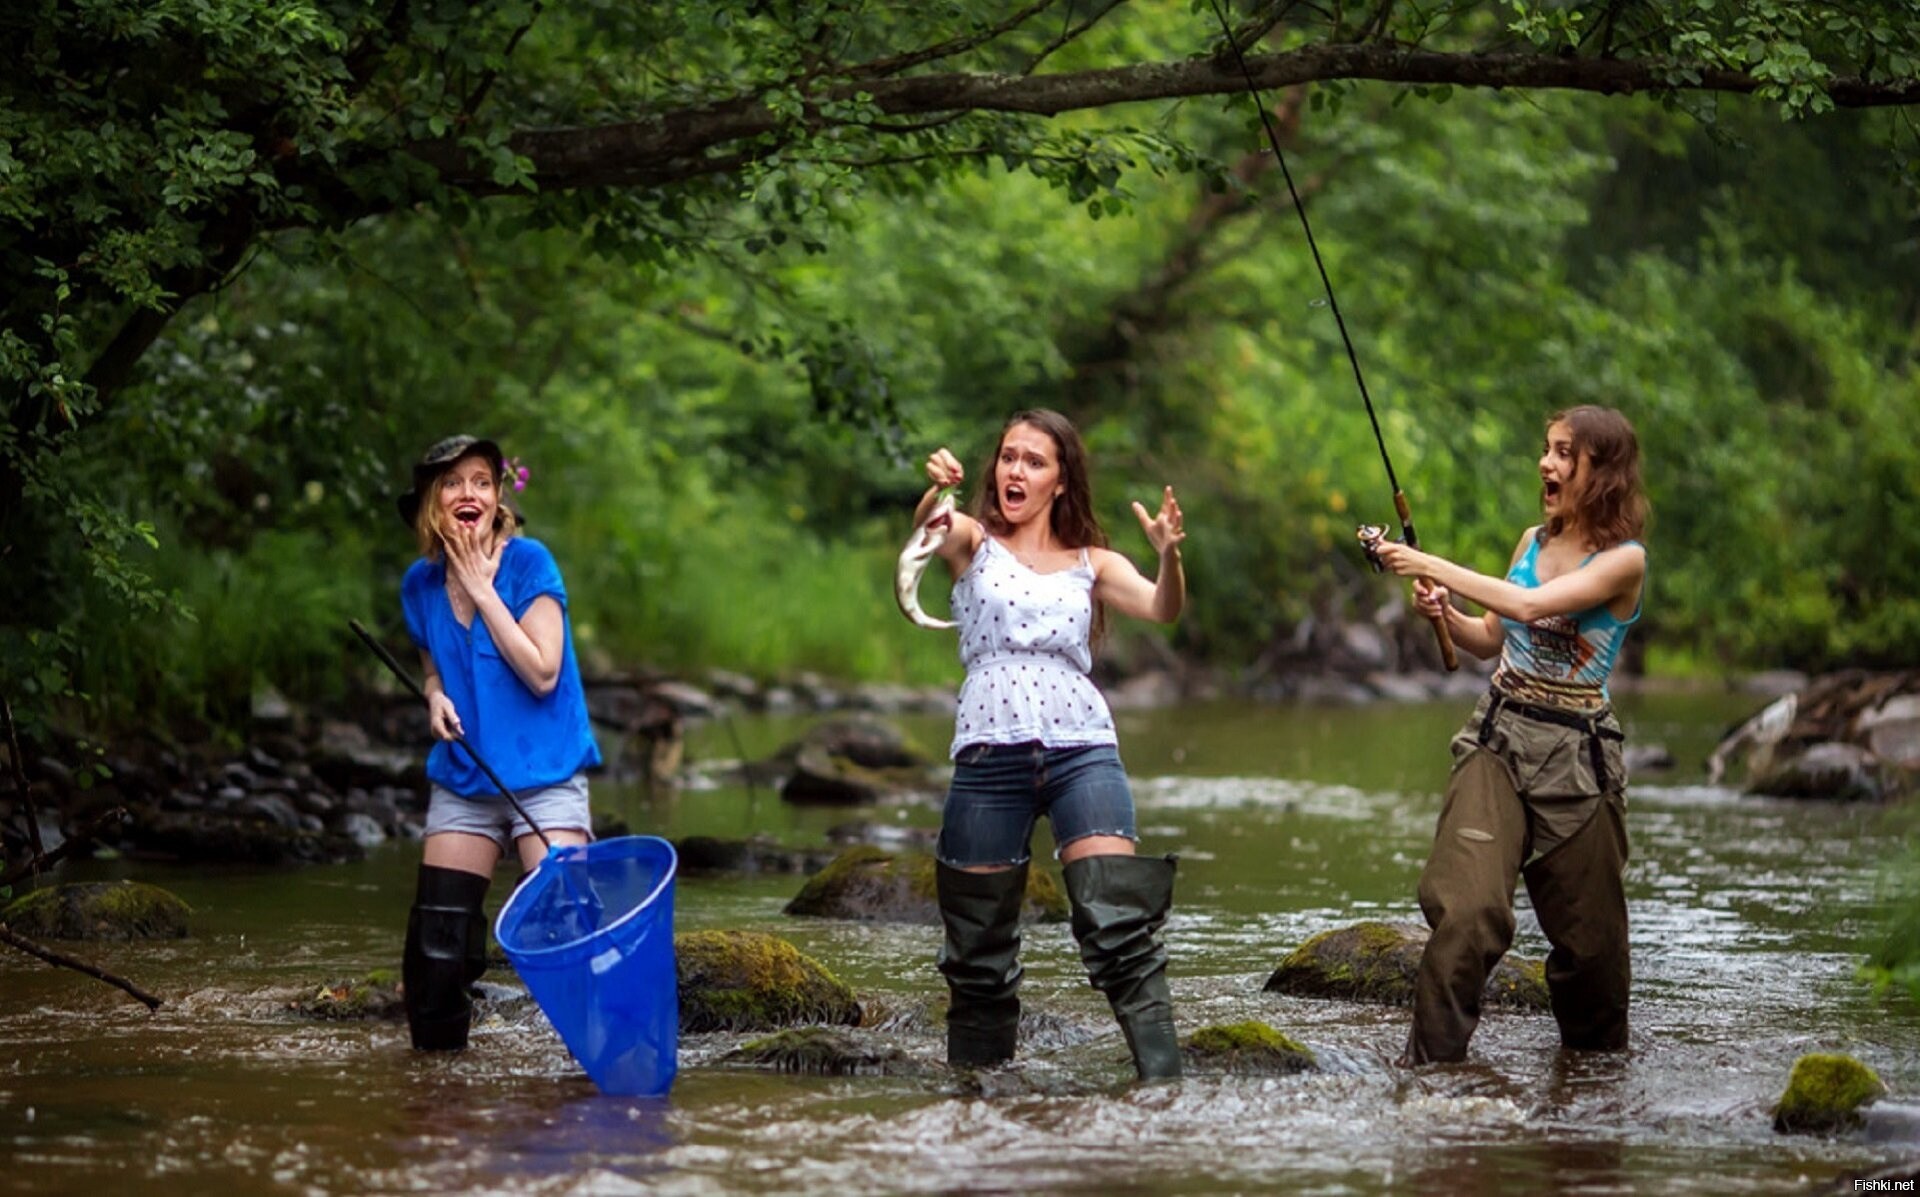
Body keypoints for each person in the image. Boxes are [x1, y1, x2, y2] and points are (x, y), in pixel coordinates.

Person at [912, 408, 1187, 1080]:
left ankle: (1165, 1088)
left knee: (1116, 919)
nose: (1016, 470)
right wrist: (936, 491)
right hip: (987, 750)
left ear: (1061, 480)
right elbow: (930, 528)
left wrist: (1169, 555)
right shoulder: (973, 540)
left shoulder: (1094, 562)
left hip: (1081, 747)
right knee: (977, 951)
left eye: (1034, 461)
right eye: (1009, 456)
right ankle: (979, 1101)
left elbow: (1163, 608)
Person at [1374, 404, 1648, 1065]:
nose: (1545, 464)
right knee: (1465, 913)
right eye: (1546, 450)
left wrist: (1422, 561)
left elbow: (1525, 605)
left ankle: (1591, 1092)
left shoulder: (1624, 562)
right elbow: (1490, 638)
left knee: (1593, 956)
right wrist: (1447, 610)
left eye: (1562, 453)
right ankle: (1432, 1073)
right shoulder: (1531, 542)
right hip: (1498, 738)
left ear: (1600, 471)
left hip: (1579, 759)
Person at [393, 435, 601, 1051]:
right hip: (465, 775)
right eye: (453, 483)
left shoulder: (530, 563)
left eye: (481, 481)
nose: (469, 493)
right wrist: (434, 696)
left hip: (546, 773)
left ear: (496, 497)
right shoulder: (421, 584)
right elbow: (434, 666)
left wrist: (484, 591)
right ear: (433, 501)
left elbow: (543, 672)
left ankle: (587, 1082)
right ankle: (442, 1097)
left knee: (568, 935)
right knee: (435, 954)